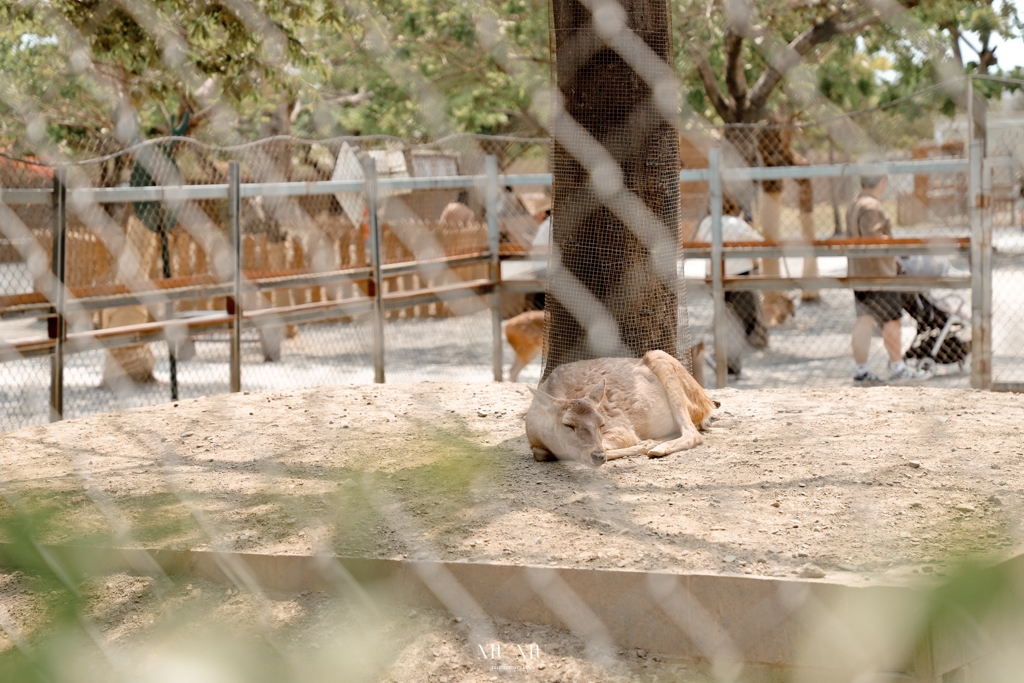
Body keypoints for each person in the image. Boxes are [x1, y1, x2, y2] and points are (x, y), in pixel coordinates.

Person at [846, 173, 930, 385]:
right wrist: (896, 244)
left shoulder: (854, 204)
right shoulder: (872, 206)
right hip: (880, 273)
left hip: (860, 272)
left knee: (864, 319)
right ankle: (897, 367)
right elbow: (874, 238)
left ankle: (861, 370)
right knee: (891, 319)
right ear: (882, 181)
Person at [694, 208, 769, 376]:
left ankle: (730, 365)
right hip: (738, 277)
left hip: (713, 275)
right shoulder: (737, 224)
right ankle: (721, 358)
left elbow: (700, 244)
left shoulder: (707, 222)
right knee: (743, 320)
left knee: (726, 318)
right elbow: (760, 242)